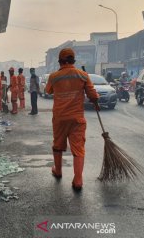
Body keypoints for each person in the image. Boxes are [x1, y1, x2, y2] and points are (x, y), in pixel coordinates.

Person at [45, 48, 99, 191]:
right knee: (78, 148)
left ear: (60, 61)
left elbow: (48, 91)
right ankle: (78, 179)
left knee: (57, 145)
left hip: (60, 118)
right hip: (77, 119)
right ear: (73, 60)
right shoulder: (83, 75)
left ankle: (58, 170)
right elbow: (93, 95)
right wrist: (95, 102)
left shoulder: (54, 76)